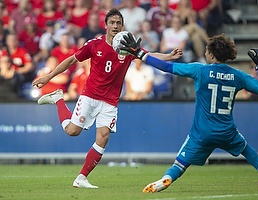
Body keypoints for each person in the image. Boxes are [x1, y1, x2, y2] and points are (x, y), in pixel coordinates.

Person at [32, 8, 182, 189]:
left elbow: (147, 56)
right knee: (72, 131)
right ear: (106, 26)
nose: (115, 26)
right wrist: (48, 77)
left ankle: (81, 178)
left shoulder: (128, 45)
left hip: (110, 101)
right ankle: (58, 99)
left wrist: (168, 56)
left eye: (119, 23)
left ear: (122, 25)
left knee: (103, 138)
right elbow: (72, 60)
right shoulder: (94, 44)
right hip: (90, 95)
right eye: (112, 23)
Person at [120, 33, 258, 192]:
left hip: (202, 132)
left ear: (212, 55)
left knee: (179, 164)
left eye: (207, 51)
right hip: (227, 131)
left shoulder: (200, 70)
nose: (205, 53)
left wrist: (140, 54)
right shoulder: (238, 76)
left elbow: (167, 67)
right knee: (247, 150)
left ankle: (168, 178)